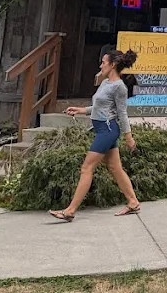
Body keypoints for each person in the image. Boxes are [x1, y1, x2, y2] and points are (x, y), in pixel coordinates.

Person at [48, 50, 141, 221]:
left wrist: (129, 137)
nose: (101, 65)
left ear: (112, 65)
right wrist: (81, 110)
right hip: (102, 129)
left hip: (108, 130)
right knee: (115, 168)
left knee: (86, 168)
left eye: (104, 62)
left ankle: (70, 211)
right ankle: (133, 202)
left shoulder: (119, 87)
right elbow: (100, 107)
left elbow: (122, 114)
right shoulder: (105, 83)